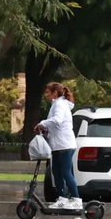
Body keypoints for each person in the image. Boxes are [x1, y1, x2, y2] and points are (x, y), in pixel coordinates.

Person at [35, 81, 81, 211]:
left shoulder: (59, 104)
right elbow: (56, 125)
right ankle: (63, 198)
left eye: (48, 93)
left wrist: (42, 123)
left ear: (55, 93)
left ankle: (76, 199)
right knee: (57, 172)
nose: (46, 96)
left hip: (64, 145)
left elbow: (57, 120)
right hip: (59, 144)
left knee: (66, 172)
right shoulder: (58, 104)